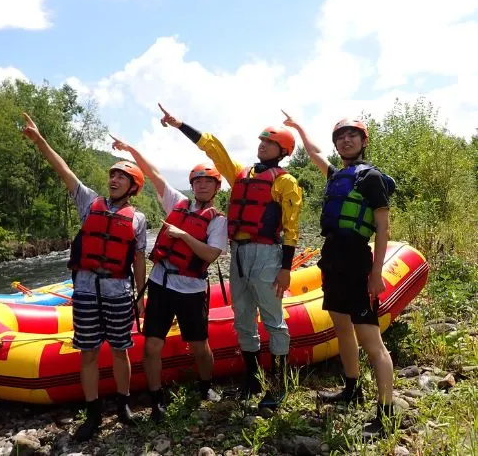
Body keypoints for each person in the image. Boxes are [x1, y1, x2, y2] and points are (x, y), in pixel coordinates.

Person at [158, 104, 302, 409]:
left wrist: (286, 268)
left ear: (283, 149)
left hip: (267, 254)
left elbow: (290, 228)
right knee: (243, 318)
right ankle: (252, 378)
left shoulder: (286, 181)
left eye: (269, 142)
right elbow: (213, 148)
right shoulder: (241, 174)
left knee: (274, 321)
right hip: (238, 254)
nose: (262, 145)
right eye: (261, 140)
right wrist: (180, 123)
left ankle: (279, 384)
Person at [21, 113, 147, 442]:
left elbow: (138, 258)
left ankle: (123, 406)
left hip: (119, 292)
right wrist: (40, 141)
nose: (114, 179)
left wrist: (142, 296)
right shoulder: (89, 202)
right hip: (87, 290)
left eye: (121, 176)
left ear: (133, 186)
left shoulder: (138, 219)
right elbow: (63, 169)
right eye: (113, 175)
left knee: (120, 350)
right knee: (88, 352)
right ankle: (92, 412)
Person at [282, 112, 396, 439]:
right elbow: (315, 153)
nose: (346, 140)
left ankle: (386, 412)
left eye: (352, 136)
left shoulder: (371, 178)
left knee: (371, 339)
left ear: (363, 141)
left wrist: (376, 273)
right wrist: (299, 128)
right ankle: (352, 388)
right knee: (341, 325)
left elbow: (384, 227)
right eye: (341, 137)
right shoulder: (336, 175)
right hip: (332, 257)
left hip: (357, 258)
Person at [110, 136, 228, 423]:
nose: (201, 185)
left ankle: (205, 386)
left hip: (192, 288)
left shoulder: (218, 220)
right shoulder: (177, 202)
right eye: (197, 180)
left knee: (199, 346)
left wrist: (183, 235)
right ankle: (156, 398)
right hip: (161, 284)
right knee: (152, 345)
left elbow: (211, 254)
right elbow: (153, 174)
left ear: (216, 187)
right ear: (192, 184)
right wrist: (130, 149)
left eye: (208, 181)